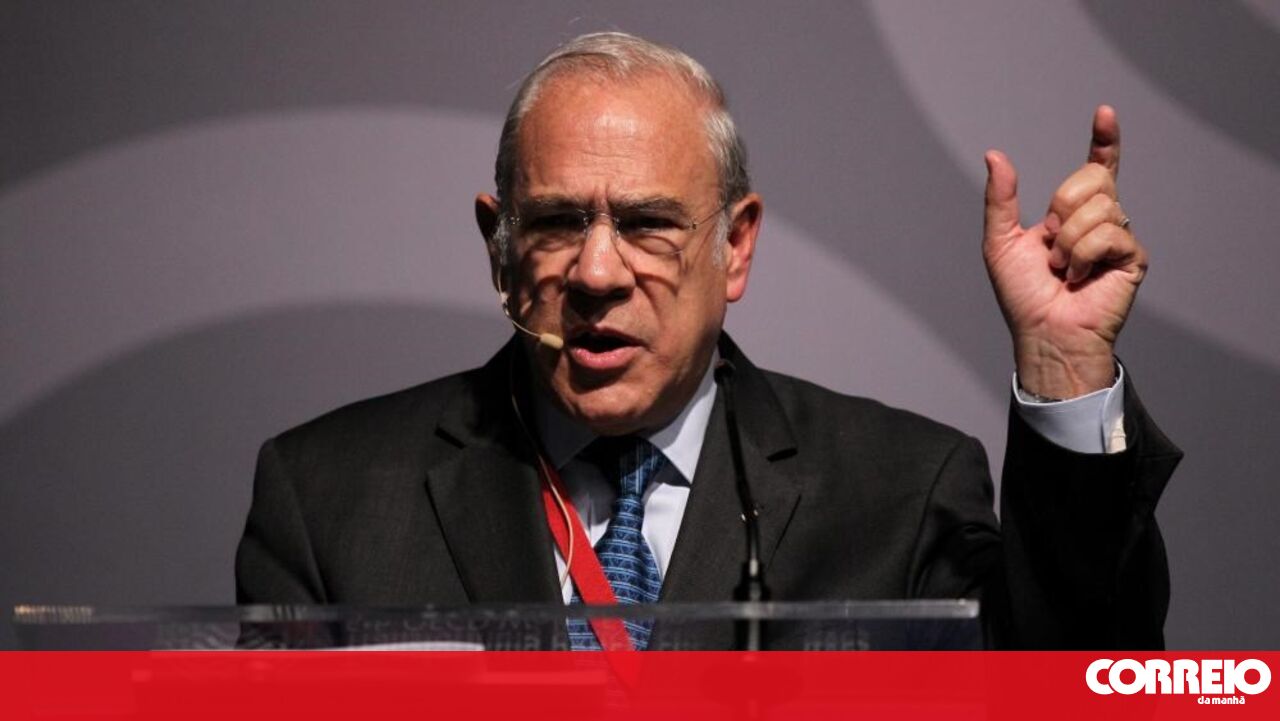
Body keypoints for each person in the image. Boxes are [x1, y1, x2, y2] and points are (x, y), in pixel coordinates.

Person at [235, 32, 1181, 649]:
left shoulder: (900, 492)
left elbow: (1079, 681)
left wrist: (1063, 369)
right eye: (557, 223)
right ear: (500, 247)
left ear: (737, 246)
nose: (596, 273)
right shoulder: (328, 497)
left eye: (648, 224)